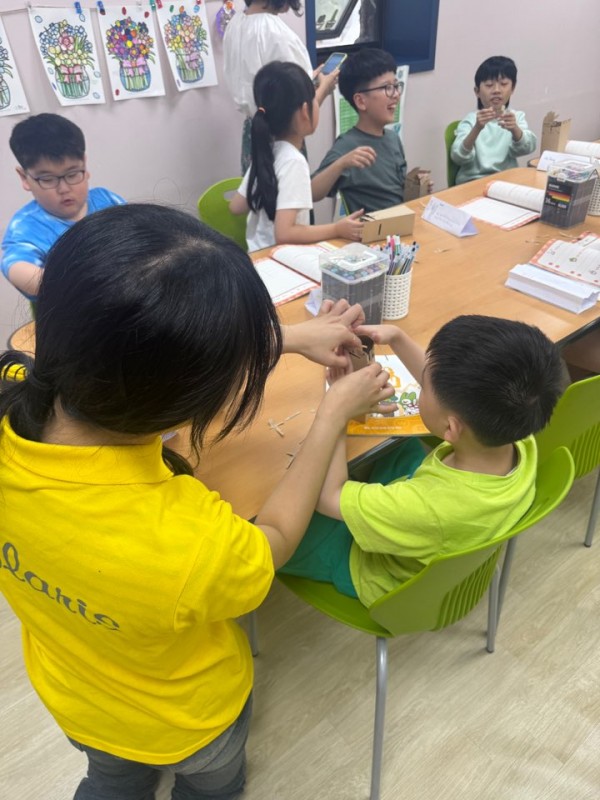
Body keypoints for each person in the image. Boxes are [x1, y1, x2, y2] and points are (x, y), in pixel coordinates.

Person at [0, 203, 394, 799]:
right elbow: (274, 541)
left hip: (75, 701)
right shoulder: (186, 541)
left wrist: (285, 338)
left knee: (111, 778)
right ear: (189, 402)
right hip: (192, 725)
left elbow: (127, 352)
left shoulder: (17, 395)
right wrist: (331, 415)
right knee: (213, 786)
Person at [277, 315, 566, 607]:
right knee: (397, 448)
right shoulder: (517, 432)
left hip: (373, 569)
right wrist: (397, 337)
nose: (420, 388)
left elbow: (328, 498)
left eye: (423, 388)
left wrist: (336, 410)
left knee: (281, 525)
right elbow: (446, 395)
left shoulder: (427, 508)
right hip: (450, 522)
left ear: (451, 428)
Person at [229, 61, 364, 251]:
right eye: (314, 99)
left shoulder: (269, 152)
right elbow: (284, 234)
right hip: (282, 261)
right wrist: (336, 229)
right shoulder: (293, 161)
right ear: (304, 111)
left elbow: (236, 206)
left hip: (258, 256)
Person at [1, 113, 125, 303]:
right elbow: (15, 266)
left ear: (85, 165)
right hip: (79, 312)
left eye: (72, 174)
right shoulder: (26, 228)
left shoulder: (107, 200)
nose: (64, 188)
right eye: (48, 179)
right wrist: (88, 285)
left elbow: (141, 231)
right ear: (24, 178)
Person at [223, 0, 338, 174]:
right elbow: (301, 110)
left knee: (256, 188)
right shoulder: (276, 33)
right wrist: (325, 88)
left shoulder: (235, 24)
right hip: (283, 137)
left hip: (253, 133)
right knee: (288, 188)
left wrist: (308, 78)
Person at [310, 48, 407, 215]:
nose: (396, 94)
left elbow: (398, 192)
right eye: (387, 87)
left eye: (396, 86)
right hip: (375, 229)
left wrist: (417, 186)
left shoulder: (393, 139)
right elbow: (312, 192)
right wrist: (341, 164)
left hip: (402, 222)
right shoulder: (348, 145)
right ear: (361, 101)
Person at [450, 56, 537, 185]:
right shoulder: (471, 120)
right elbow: (458, 157)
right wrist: (477, 128)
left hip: (506, 181)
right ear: (477, 91)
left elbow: (527, 148)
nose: (496, 90)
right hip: (473, 181)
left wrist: (515, 129)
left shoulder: (515, 117)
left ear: (512, 88)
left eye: (504, 84)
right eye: (489, 85)